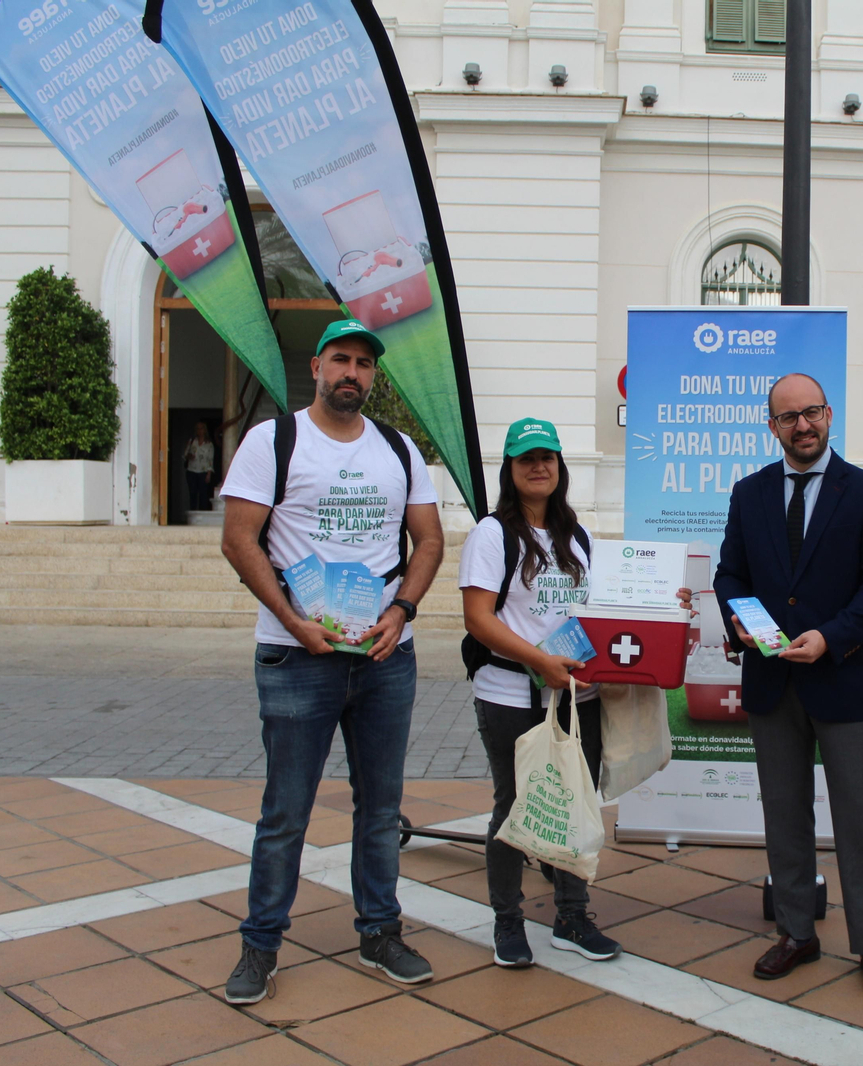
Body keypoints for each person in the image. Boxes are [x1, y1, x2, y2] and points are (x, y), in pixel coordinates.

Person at [218, 318, 445, 1005]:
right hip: (299, 656)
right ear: (316, 366)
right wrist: (292, 621)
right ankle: (260, 945)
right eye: (341, 360)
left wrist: (400, 610)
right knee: (285, 810)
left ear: (374, 376)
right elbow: (238, 539)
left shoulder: (400, 450)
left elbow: (430, 541)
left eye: (364, 364)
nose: (353, 372)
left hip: (383, 657)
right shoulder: (273, 441)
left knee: (381, 809)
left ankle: (380, 931)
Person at [713, 373, 863, 996]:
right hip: (771, 680)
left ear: (829, 416)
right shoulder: (750, 494)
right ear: (772, 426)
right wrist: (739, 622)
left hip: (844, 678)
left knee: (859, 819)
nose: (803, 425)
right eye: (789, 417)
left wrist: (831, 636)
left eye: (813, 413)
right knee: (784, 814)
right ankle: (796, 932)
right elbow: (730, 574)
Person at [459, 418, 621, 970]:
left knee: (578, 801)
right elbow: (477, 618)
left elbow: (602, 610)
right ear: (509, 469)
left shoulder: (579, 536)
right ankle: (508, 921)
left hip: (579, 695)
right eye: (526, 458)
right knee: (514, 805)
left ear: (560, 466)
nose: (538, 466)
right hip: (510, 693)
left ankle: (572, 917)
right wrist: (538, 661)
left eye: (547, 456)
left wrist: (657, 603)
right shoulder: (492, 534)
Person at [183, 421, 215, 512]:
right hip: (191, 470)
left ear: (205, 430)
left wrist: (209, 474)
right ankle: (192, 514)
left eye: (201, 428)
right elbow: (185, 455)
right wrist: (189, 456)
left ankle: (202, 515)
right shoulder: (192, 441)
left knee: (203, 494)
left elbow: (210, 460)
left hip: (203, 471)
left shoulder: (209, 444)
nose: (199, 430)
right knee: (192, 493)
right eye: (197, 428)